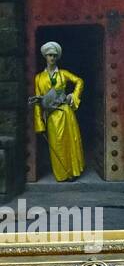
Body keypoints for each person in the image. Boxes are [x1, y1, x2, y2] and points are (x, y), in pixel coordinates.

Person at [31, 41, 85, 182]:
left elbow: (79, 81)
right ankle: (62, 174)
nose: (52, 58)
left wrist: (73, 95)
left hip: (66, 113)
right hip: (51, 116)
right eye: (49, 55)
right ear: (45, 57)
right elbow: (38, 103)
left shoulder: (63, 74)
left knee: (71, 142)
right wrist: (39, 123)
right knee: (57, 145)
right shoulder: (38, 78)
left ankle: (73, 172)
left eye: (55, 55)